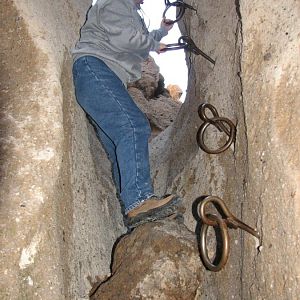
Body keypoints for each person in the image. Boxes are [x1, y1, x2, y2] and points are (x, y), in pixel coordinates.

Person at [72, 0, 184, 228]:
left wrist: (161, 31)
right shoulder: (116, 1)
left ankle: (136, 214)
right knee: (133, 126)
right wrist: (153, 44)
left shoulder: (129, 12)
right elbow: (125, 38)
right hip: (95, 68)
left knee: (117, 147)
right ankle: (139, 200)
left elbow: (133, 33)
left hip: (102, 74)